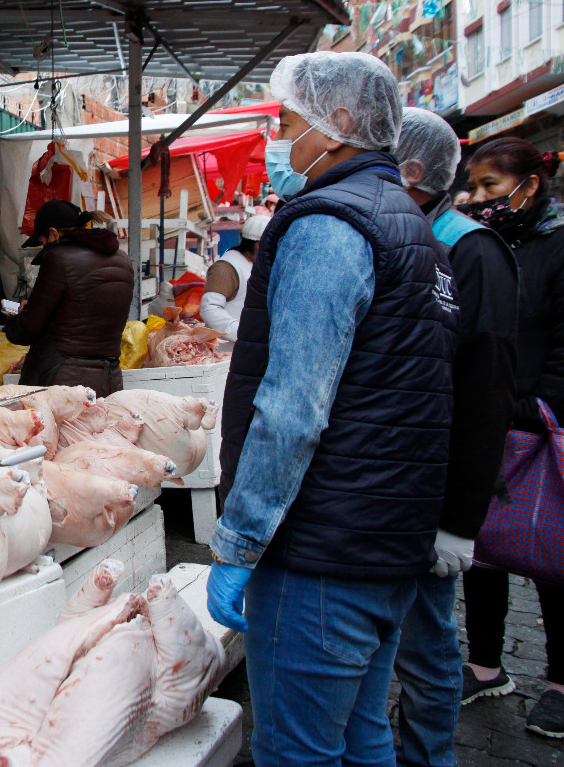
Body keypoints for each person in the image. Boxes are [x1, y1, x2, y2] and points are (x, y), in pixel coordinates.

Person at [204, 52, 459, 766]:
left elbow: (293, 408)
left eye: (287, 120)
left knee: (297, 750)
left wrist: (239, 542)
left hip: (322, 555)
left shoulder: (331, 225)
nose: (277, 139)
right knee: (361, 735)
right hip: (385, 546)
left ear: (339, 123)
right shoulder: (411, 229)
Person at [390, 108, 519, 766]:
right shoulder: (406, 231)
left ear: (413, 170)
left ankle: (428, 757)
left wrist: (460, 521)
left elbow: (484, 390)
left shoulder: (470, 249)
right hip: (391, 484)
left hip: (435, 489)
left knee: (428, 643)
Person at [457, 136, 564, 738]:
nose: (478, 199)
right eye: (473, 187)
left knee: (551, 551)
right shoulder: (486, 245)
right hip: (489, 420)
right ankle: (486, 663)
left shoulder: (558, 245)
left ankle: (560, 680)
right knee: (485, 549)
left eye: (490, 188)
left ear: (530, 183)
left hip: (545, 424)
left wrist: (533, 407)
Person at [2, 199, 134, 396]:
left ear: (53, 233)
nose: (43, 246)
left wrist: (17, 317)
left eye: (42, 240)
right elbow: (80, 314)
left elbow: (27, 330)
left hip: (62, 384)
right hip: (109, 381)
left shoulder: (58, 258)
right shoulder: (123, 259)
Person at [200, 214, 270, 352]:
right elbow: (209, 309)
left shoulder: (256, 264)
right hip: (229, 354)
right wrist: (245, 333)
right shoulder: (226, 268)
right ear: (258, 246)